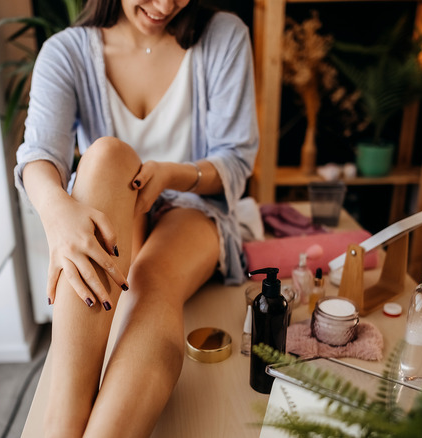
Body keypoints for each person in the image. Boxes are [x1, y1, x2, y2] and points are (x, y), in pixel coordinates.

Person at [15, 0, 257, 435]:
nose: (165, 6)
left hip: (192, 208)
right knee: (107, 154)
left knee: (149, 281)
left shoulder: (225, 37)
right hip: (113, 209)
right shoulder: (66, 52)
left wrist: (170, 174)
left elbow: (235, 162)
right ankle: (62, 423)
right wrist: (57, 215)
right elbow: (39, 156)